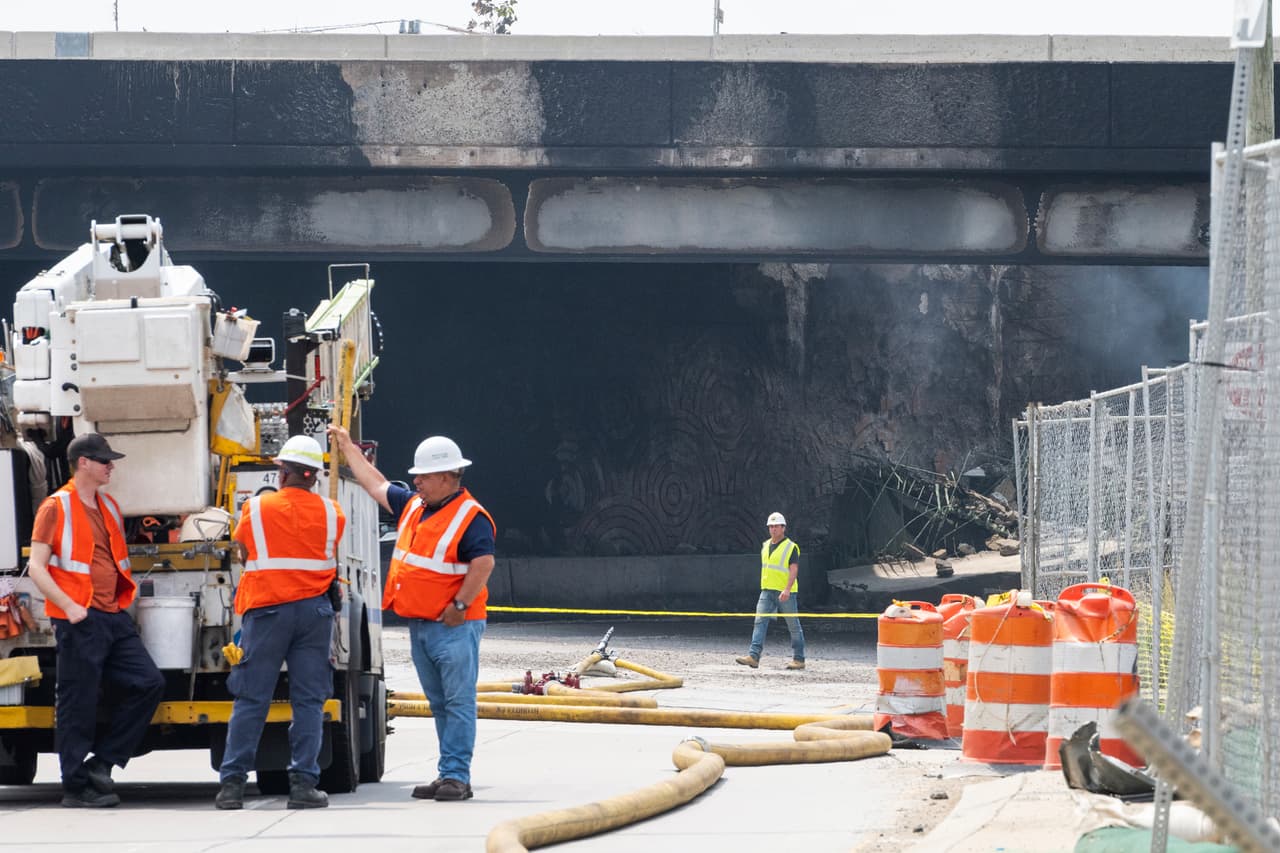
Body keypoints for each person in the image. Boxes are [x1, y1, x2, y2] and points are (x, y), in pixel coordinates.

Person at [328, 425, 494, 802]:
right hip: (423, 626)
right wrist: (348, 449)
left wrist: (459, 607)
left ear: (448, 476)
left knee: (457, 701)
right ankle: (448, 772)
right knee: (440, 704)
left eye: (423, 475)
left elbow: (483, 563)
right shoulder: (415, 506)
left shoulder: (471, 517)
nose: (416, 480)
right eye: (416, 475)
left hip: (453, 626)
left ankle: (456, 776)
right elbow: (375, 484)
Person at [26, 433, 165, 808]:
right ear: (83, 463)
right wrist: (69, 607)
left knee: (149, 683)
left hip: (112, 615)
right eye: (105, 461)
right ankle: (74, 787)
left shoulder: (109, 506)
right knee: (79, 702)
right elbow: (36, 568)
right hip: (80, 619)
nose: (111, 466)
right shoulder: (56, 507)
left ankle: (102, 764)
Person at [215, 435, 346, 810]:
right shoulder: (332, 512)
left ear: (283, 472)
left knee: (251, 699)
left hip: (268, 611)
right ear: (314, 477)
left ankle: (232, 786)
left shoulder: (255, 509)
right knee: (308, 700)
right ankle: (304, 785)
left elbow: (244, 551)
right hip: (313, 614)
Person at [735, 512, 806, 670]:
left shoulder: (791, 547)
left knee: (793, 625)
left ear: (783, 528)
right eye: (771, 526)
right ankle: (754, 656)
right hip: (766, 591)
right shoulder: (765, 545)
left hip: (785, 592)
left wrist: (787, 589)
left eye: (776, 526)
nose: (773, 529)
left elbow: (793, 570)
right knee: (759, 622)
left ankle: (799, 659)